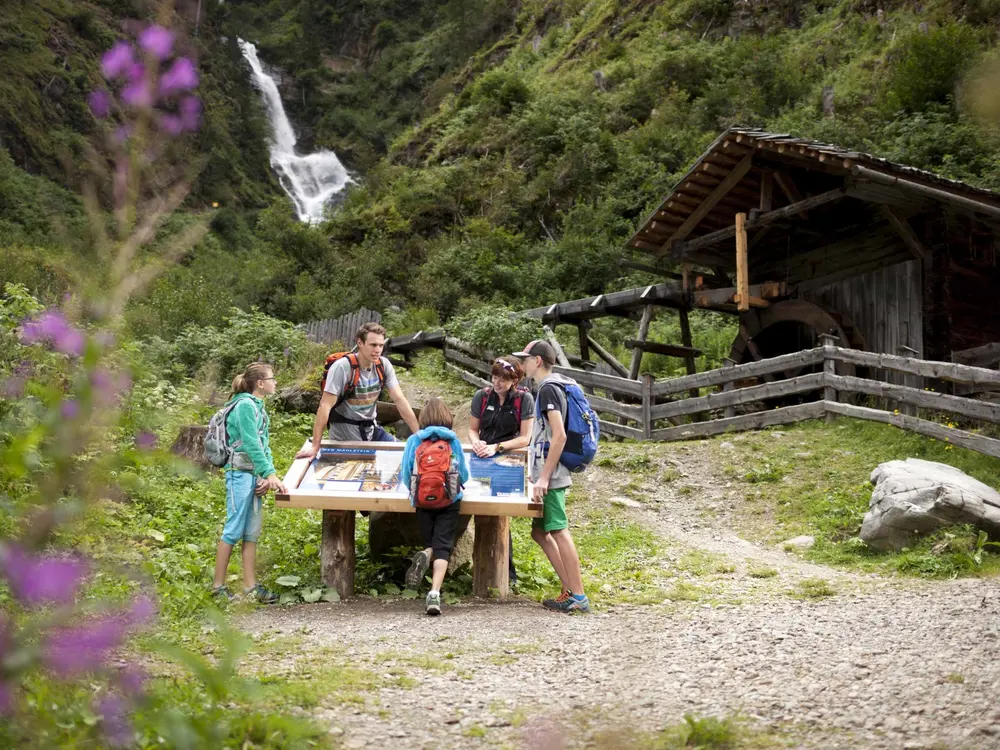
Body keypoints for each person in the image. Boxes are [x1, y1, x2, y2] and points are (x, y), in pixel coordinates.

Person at [511, 340, 590, 613]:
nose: (522, 363)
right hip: (549, 470)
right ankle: (569, 589)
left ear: (538, 361)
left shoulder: (547, 389)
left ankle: (577, 596)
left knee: (557, 530)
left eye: (526, 358)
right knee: (540, 532)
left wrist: (543, 478)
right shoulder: (561, 383)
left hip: (552, 474)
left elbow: (560, 435)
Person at [212, 363, 287, 604]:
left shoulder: (258, 407)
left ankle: (250, 586)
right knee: (233, 529)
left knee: (251, 533)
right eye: (272, 379)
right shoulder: (244, 405)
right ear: (260, 383)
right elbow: (251, 443)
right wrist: (270, 473)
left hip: (254, 475)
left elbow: (263, 447)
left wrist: (266, 476)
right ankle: (217, 587)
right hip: (239, 474)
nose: (276, 382)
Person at [296, 322, 419, 461]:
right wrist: (315, 446)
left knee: (403, 458)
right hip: (345, 435)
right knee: (359, 471)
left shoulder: (383, 365)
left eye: (380, 345)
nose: (378, 350)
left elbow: (399, 400)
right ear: (360, 343)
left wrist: (419, 435)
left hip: (372, 429)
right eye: (373, 345)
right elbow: (325, 406)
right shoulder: (342, 368)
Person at [399, 398, 470, 615]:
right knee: (443, 546)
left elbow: (405, 473)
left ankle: (425, 552)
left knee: (430, 540)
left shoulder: (414, 440)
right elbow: (463, 474)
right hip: (449, 501)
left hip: (422, 502)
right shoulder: (452, 441)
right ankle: (434, 593)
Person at [468, 356, 535, 586]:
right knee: (478, 506)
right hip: (481, 457)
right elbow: (473, 429)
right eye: (494, 377)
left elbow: (525, 438)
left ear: (514, 380)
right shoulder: (482, 396)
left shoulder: (524, 399)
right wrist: (476, 443)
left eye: (503, 380)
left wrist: (497, 447)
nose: (497, 383)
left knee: (500, 512)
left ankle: (508, 572)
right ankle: (479, 564)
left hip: (508, 458)